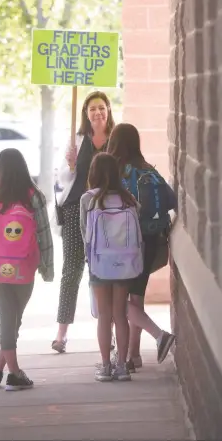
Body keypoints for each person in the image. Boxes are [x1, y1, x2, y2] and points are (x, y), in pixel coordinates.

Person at [0, 148, 54, 390]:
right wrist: (47, 267)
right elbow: (43, 234)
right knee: (11, 318)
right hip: (24, 268)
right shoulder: (34, 197)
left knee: (9, 318)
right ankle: (15, 373)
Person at [107, 123, 177, 372]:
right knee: (136, 296)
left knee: (116, 300)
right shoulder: (149, 171)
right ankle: (133, 355)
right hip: (151, 240)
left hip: (125, 242)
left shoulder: (116, 171)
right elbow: (171, 201)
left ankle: (137, 349)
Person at [52, 91, 115, 353]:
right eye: (92, 109)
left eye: (102, 108)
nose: (98, 113)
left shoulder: (115, 140)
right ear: (85, 114)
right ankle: (62, 332)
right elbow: (63, 178)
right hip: (75, 209)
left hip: (106, 213)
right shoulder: (76, 140)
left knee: (102, 273)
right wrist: (70, 163)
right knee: (71, 271)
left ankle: (107, 333)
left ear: (108, 110)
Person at [80, 153, 141, 382]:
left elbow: (84, 233)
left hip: (99, 263)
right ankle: (123, 367)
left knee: (104, 315)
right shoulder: (129, 199)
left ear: (93, 173)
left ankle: (105, 366)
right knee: (120, 314)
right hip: (125, 263)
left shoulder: (89, 199)